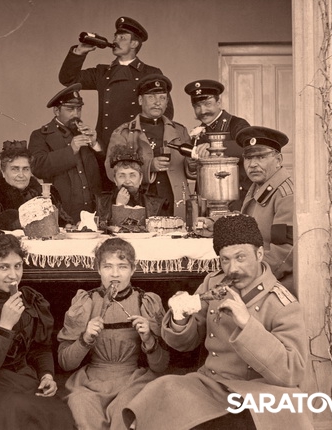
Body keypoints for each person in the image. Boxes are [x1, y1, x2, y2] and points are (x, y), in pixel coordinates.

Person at [123, 214, 311, 429]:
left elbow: (292, 371)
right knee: (161, 389)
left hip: (257, 392)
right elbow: (186, 344)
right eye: (225, 260)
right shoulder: (213, 284)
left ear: (259, 254)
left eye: (240, 257)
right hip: (211, 384)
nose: (232, 269)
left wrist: (248, 324)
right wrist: (179, 318)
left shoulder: (282, 303)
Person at [0, 229, 74, 429]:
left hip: (22, 381)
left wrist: (46, 375)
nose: (13, 275)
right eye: (4, 267)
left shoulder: (29, 301)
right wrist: (5, 325)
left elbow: (40, 348)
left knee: (58, 413)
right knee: (20, 409)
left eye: (17, 266)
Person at [57, 237, 169, 430]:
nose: (115, 274)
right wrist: (85, 339)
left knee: (126, 409)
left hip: (133, 380)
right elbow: (65, 363)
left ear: (133, 269)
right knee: (79, 403)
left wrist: (149, 339)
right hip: (90, 382)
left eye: (122, 267)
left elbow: (161, 366)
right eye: (107, 266)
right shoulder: (86, 302)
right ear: (98, 269)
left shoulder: (145, 302)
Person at [0, 140, 71, 285]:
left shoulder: (46, 194)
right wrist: (14, 219)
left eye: (26, 169)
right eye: (15, 169)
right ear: (3, 172)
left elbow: (64, 224)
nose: (21, 175)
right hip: (2, 265)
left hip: (45, 266)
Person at [58, 16, 174, 151]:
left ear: (134, 44)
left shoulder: (150, 73)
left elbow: (166, 112)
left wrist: (149, 143)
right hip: (105, 144)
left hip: (138, 145)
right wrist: (79, 52)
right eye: (115, 37)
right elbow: (68, 79)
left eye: (122, 38)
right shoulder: (102, 72)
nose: (114, 41)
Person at [105, 74, 190, 217]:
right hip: (140, 203)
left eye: (162, 98)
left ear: (167, 102)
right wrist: (150, 167)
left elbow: (190, 170)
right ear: (140, 100)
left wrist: (193, 164)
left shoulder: (180, 131)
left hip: (175, 202)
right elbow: (110, 169)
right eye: (151, 97)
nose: (157, 102)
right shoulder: (124, 132)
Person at [28, 84, 103, 223]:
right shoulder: (40, 135)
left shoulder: (85, 133)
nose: (76, 114)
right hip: (62, 213)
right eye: (70, 109)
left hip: (92, 213)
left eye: (79, 109)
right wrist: (71, 150)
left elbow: (105, 172)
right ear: (56, 111)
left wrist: (95, 144)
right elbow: (37, 167)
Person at [238, 126, 294, 290]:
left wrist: (247, 275)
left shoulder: (286, 195)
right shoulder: (259, 186)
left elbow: (284, 253)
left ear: (278, 160)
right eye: (248, 158)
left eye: (261, 157)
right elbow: (250, 221)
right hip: (255, 272)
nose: (253, 164)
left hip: (274, 282)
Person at [183, 79, 251, 209]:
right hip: (206, 200)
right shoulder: (198, 132)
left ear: (219, 102)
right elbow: (196, 172)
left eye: (207, 104)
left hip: (235, 200)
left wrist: (214, 147)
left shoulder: (236, 124)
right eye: (197, 106)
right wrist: (191, 165)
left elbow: (248, 148)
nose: (202, 111)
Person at [96, 145, 165, 229]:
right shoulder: (101, 203)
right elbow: (102, 230)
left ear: (140, 179)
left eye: (132, 175)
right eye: (122, 176)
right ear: (115, 180)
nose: (127, 181)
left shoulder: (155, 204)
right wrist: (119, 206)